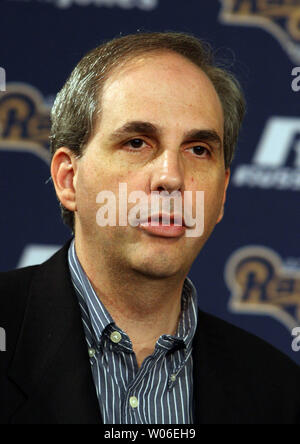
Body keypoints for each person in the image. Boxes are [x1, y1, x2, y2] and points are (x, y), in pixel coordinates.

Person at [0, 32, 299, 425]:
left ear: (222, 193)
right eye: (138, 142)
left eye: (198, 150)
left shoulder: (281, 393)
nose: (171, 178)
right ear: (68, 180)